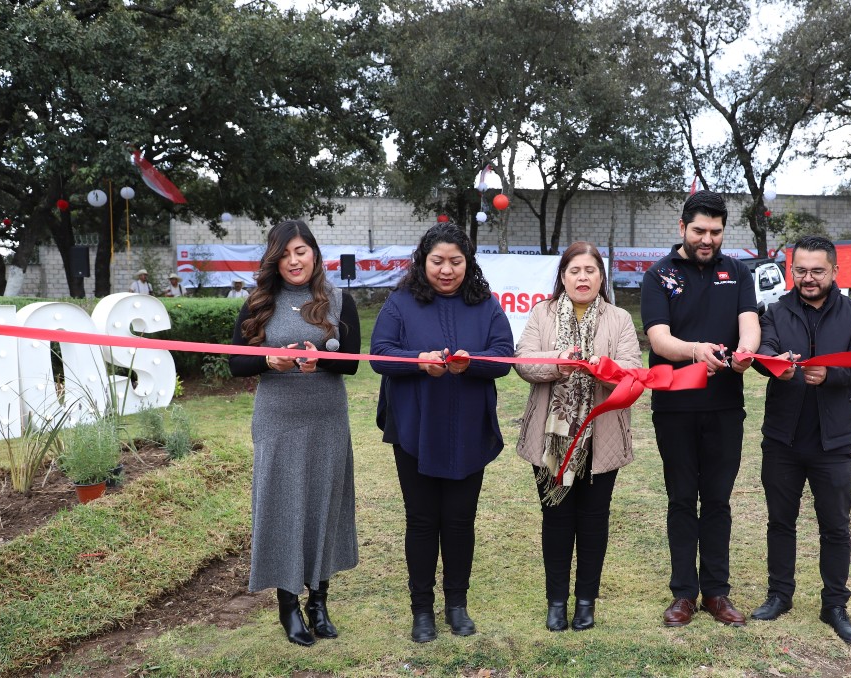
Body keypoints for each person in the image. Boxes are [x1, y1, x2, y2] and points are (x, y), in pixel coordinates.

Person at [370, 223, 513, 644]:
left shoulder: (485, 304)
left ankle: (457, 605)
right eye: (438, 261)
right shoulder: (400, 302)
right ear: (422, 262)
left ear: (468, 264)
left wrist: (473, 362)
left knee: (459, 521)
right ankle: (421, 610)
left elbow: (503, 357)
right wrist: (417, 361)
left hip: (468, 428)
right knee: (421, 520)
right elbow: (379, 354)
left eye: (455, 261)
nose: (446, 270)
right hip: (415, 427)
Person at [228, 220, 361, 647]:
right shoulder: (258, 303)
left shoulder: (339, 301)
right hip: (279, 420)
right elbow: (235, 363)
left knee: (324, 504)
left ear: (315, 254)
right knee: (283, 508)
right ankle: (288, 604)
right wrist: (270, 361)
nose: (293, 261)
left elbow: (353, 363)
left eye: (300, 251)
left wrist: (319, 357)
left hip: (326, 419)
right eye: (284, 254)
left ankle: (319, 602)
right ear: (274, 259)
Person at [639, 190, 759, 628]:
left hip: (726, 406)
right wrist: (694, 351)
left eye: (716, 232)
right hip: (674, 406)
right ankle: (683, 594)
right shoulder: (659, 276)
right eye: (699, 231)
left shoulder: (739, 273)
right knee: (681, 499)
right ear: (682, 229)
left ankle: (717, 592)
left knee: (719, 501)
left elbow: (750, 325)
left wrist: (747, 352)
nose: (707, 239)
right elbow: (658, 338)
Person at [752, 235, 851, 646]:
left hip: (834, 441)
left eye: (817, 271)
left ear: (835, 271)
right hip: (782, 439)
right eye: (800, 270)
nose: (808, 278)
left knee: (836, 527)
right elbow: (763, 351)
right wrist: (775, 366)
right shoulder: (773, 310)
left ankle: (835, 605)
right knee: (780, 522)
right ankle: (779, 595)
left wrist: (832, 374)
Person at [514, 241, 642, 633]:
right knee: (555, 520)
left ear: (601, 277)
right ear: (563, 276)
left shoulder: (618, 318)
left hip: (601, 437)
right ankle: (556, 603)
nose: (582, 277)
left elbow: (632, 367)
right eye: (575, 271)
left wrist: (601, 368)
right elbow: (524, 360)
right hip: (551, 438)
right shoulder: (543, 313)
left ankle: (585, 602)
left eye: (590, 270)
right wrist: (559, 365)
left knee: (593, 521)